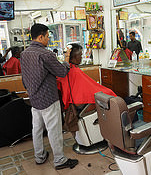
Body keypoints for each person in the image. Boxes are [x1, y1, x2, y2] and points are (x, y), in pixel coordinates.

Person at [20, 23, 78, 170]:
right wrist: (66, 58)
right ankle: (59, 160)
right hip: (48, 99)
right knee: (54, 130)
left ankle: (39, 156)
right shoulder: (46, 54)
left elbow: (24, 77)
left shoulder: (24, 53)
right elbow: (62, 72)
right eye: (47, 36)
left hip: (34, 98)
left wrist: (29, 90)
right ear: (40, 36)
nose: (48, 39)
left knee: (37, 129)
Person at [57, 43, 116, 135]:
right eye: (80, 55)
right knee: (110, 98)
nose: (81, 57)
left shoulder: (65, 70)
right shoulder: (74, 71)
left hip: (71, 103)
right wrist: (108, 92)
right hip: (79, 103)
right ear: (74, 57)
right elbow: (87, 90)